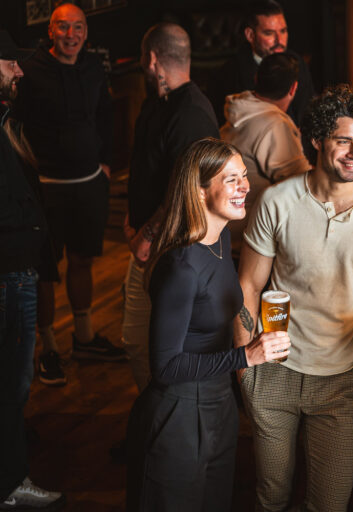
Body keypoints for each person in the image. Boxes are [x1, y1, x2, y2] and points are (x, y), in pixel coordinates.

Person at [236, 85, 353, 511]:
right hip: (274, 371)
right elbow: (247, 285)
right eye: (343, 141)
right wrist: (243, 361)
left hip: (341, 375)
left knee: (330, 503)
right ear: (317, 140)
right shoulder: (277, 201)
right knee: (271, 497)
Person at [125, 138, 290, 511]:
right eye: (231, 180)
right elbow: (165, 367)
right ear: (200, 193)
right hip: (178, 415)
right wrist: (245, 357)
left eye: (244, 177)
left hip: (218, 406)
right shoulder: (181, 266)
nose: (244, 187)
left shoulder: (219, 242)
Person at [13, 2, 123, 386]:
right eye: (63, 27)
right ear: (51, 32)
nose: (71, 35)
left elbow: (107, 116)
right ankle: (49, 349)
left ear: (86, 33)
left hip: (89, 182)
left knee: (83, 260)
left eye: (78, 27)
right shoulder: (31, 70)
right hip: (47, 188)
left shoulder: (93, 67)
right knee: (45, 270)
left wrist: (106, 162)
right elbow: (16, 125)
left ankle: (85, 338)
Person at [122, 22, 220, 393]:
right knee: (136, 343)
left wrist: (147, 236)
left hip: (169, 248)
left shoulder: (191, 113)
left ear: (151, 59)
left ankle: (161, 438)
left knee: (154, 350)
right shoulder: (157, 102)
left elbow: (188, 188)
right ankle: (150, 434)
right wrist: (133, 220)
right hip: (147, 242)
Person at [0, 29, 65, 510]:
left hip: (19, 269)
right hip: (8, 273)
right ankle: (10, 485)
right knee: (10, 385)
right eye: (9, 62)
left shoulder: (7, 120)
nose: (19, 70)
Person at [220, 51, 311, 254]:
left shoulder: (238, 110)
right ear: (294, 88)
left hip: (223, 231)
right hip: (248, 241)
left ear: (256, 79)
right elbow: (302, 187)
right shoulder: (274, 125)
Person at [212, 0, 314, 127]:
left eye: (283, 31)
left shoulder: (298, 64)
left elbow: (308, 115)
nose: (279, 40)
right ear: (250, 35)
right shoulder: (229, 73)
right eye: (269, 33)